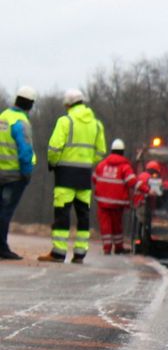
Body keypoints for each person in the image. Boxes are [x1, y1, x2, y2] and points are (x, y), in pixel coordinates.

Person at [39, 89, 106, 264]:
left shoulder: (65, 121)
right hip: (84, 177)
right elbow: (101, 151)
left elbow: (54, 148)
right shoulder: (97, 124)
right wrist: (86, 162)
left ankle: (59, 253)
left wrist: (54, 163)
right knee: (83, 214)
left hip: (65, 176)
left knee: (62, 213)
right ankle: (80, 254)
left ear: (68, 105)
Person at [0, 87, 38, 260]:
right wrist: (27, 173)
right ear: (30, 105)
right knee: (5, 212)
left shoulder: (3, 117)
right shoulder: (21, 122)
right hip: (13, 176)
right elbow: (25, 152)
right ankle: (2, 247)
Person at [93, 139, 141, 255]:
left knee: (105, 226)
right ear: (122, 152)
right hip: (117, 204)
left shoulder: (101, 165)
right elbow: (133, 182)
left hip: (102, 202)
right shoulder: (125, 167)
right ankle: (118, 247)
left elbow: (94, 179)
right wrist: (147, 189)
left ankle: (107, 248)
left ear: (111, 151)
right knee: (117, 226)